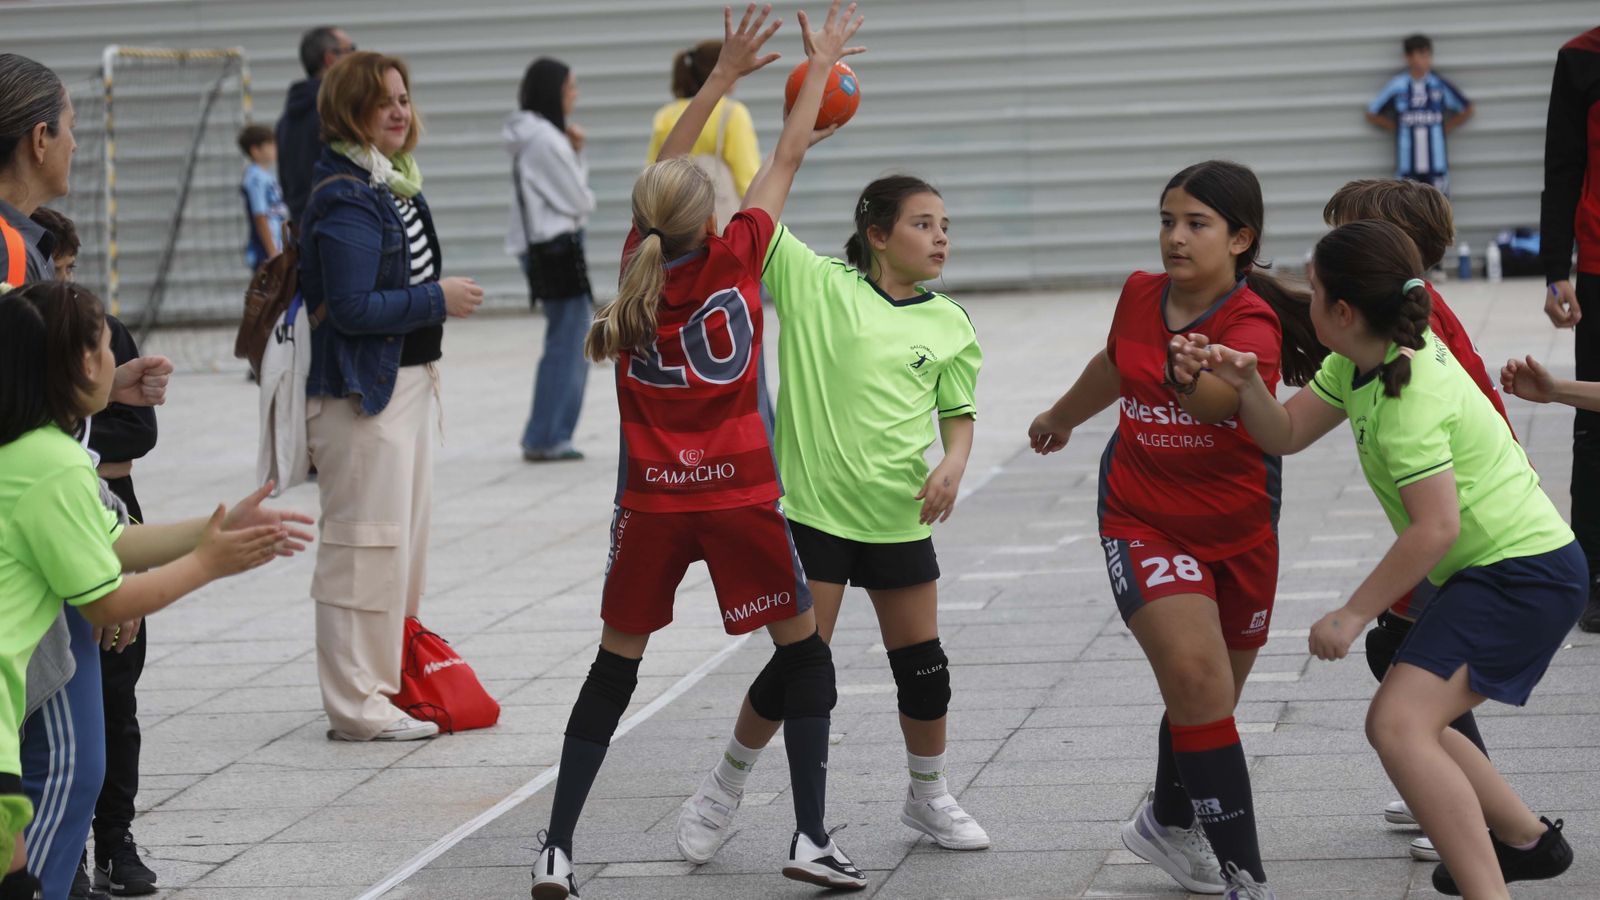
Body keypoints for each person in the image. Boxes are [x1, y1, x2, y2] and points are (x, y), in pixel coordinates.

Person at [529, 5, 866, 897]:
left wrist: (718, 78)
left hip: (651, 506)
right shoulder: (738, 258)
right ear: (710, 210)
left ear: (645, 223)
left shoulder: (637, 269)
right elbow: (788, 157)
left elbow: (663, 179)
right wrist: (821, 64)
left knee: (613, 670)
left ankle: (556, 849)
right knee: (805, 659)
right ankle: (809, 836)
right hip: (739, 498)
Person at [1176, 219, 1582, 898]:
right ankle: (1525, 841)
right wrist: (1246, 384)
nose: (1305, 304)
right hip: (1501, 574)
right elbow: (1286, 432)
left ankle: (1495, 882)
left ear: (1342, 311)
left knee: (1397, 724)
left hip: (1524, 576)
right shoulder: (1362, 359)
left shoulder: (1408, 397)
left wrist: (1351, 614)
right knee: (1411, 718)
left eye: (1311, 290)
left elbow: (1435, 528)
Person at [678, 42, 991, 883]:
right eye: (923, 224)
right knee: (796, 667)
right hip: (814, 517)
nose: (939, 237)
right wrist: (798, 121)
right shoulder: (816, 284)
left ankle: (927, 794)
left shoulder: (950, 323)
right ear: (876, 234)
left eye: (946, 226)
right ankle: (722, 787)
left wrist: (954, 465)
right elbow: (758, 206)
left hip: (899, 518)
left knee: (924, 671)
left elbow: (958, 418)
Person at [1027, 160, 1326, 900]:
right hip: (1140, 514)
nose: (1175, 237)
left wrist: (1194, 378)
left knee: (1210, 697)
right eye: (1167, 220)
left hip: (1241, 528)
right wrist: (1061, 417)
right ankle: (1245, 875)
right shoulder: (1138, 293)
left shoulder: (1249, 322)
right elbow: (1114, 363)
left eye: (1196, 224)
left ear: (1240, 239)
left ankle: (1166, 819)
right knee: (1195, 677)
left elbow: (1222, 407)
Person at [0, 281, 313, 900]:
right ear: (84, 363)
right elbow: (106, 602)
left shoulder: (30, 450)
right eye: (106, 344)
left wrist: (213, 530)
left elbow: (113, 541)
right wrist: (211, 563)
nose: (116, 359)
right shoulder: (54, 463)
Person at [0, 53, 172, 900]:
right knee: (65, 770)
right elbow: (17, 416)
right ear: (38, 137)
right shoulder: (7, 252)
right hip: (37, 542)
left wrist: (101, 390)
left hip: (44, 520)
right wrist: (105, 564)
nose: (76, 144)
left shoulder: (24, 244)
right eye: (70, 128)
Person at [1321, 177, 1532, 864]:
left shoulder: (1416, 330)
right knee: (1408, 659)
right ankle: (1451, 791)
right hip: (1463, 518)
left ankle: (1469, 809)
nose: (1333, 248)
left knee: (1405, 662)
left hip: (1475, 526)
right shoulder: (1407, 310)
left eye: (1347, 233)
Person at [299, 51, 484, 743]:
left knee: (401, 552)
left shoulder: (392, 181)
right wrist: (439, 298)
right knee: (363, 548)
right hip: (361, 399)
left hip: (402, 391)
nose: (401, 112)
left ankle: (385, 681)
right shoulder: (348, 192)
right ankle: (356, 706)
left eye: (404, 98)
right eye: (384, 102)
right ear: (350, 111)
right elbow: (348, 306)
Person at [30, 206, 164, 899]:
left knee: (116, 696)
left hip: (111, 511)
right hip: (77, 521)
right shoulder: (44, 457)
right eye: (52, 265)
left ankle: (113, 838)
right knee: (56, 714)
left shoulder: (101, 336)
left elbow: (138, 434)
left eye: (70, 268)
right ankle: (62, 852)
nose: (63, 281)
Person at [1538, 26, 1600, 631]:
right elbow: (1563, 165)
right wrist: (1558, 270)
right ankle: (1593, 577)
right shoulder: (1581, 59)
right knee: (1596, 418)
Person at [506, 57, 595, 463]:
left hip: (545, 246)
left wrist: (574, 151)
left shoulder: (534, 135)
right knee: (570, 342)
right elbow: (579, 199)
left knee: (564, 339)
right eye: (571, 87)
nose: (576, 95)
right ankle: (548, 436)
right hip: (556, 245)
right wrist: (576, 159)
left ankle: (544, 434)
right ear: (554, 92)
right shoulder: (544, 139)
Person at [647, 38, 762, 227]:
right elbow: (747, 178)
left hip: (676, 227)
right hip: (719, 224)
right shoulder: (732, 113)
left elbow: (652, 174)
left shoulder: (665, 116)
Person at [1365, 34, 1473, 195]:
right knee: (1406, 213)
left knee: (1439, 211)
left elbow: (1467, 108)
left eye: (1428, 55)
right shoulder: (1398, 85)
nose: (1426, 60)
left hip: (1436, 166)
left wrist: (1445, 127)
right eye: (1421, 55)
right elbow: (1372, 113)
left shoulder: (1438, 84)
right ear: (1408, 57)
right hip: (1407, 167)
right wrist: (1398, 128)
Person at [277, 25, 355, 226]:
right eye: (351, 50)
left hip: (304, 232)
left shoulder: (286, 120)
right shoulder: (338, 112)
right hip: (339, 229)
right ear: (330, 58)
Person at [237, 124, 287, 271]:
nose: (274, 148)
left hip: (278, 247)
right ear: (255, 151)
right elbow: (260, 216)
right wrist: (273, 253)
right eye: (270, 144)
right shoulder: (255, 179)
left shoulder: (267, 176)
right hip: (265, 252)